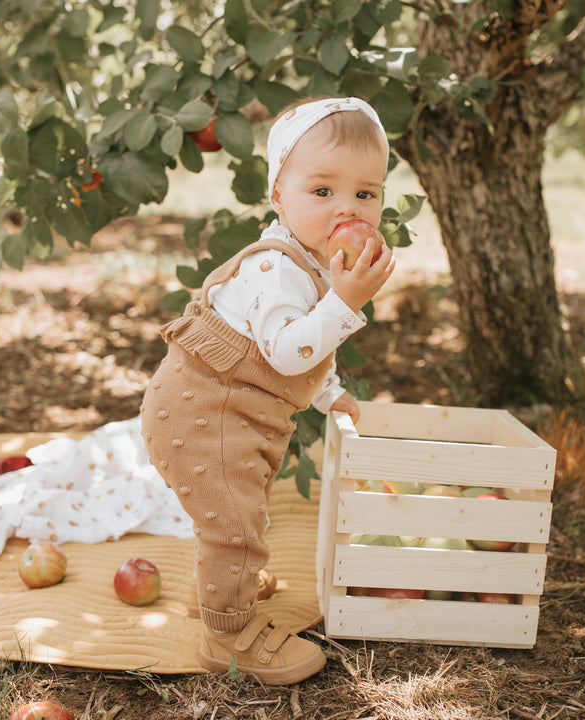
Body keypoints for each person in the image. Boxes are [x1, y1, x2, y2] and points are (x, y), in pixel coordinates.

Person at [140, 96, 395, 685]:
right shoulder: (275, 268)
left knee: (236, 517)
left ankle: (224, 592)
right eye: (323, 191)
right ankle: (228, 636)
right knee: (233, 525)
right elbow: (285, 350)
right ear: (279, 197)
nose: (346, 209)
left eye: (366, 194)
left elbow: (308, 347)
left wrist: (330, 394)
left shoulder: (317, 262)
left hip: (231, 413)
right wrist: (347, 302)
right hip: (202, 413)